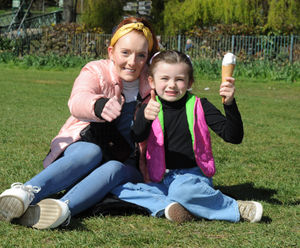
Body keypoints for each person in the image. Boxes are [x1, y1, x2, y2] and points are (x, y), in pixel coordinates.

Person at [0, 16, 159, 229]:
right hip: (88, 144)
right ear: (111, 52)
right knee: (90, 152)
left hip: (127, 161)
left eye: (141, 55)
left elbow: (178, 89)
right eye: (125, 53)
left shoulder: (154, 82)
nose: (132, 62)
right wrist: (98, 105)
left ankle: (61, 209)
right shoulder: (96, 70)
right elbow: (77, 99)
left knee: (115, 167)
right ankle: (26, 193)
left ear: (148, 57)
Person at [111, 50, 263, 223]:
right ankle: (173, 207)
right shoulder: (149, 107)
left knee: (182, 191)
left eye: (179, 79)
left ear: (189, 82)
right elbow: (136, 137)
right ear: (151, 81)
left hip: (192, 178)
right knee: (120, 189)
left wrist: (229, 104)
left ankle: (236, 208)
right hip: (160, 179)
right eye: (164, 78)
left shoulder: (200, 105)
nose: (171, 85)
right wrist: (145, 118)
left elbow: (233, 136)